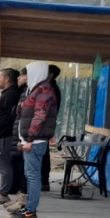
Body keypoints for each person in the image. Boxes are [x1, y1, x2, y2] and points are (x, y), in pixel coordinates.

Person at [12, 60, 59, 218]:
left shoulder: (44, 90)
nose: (25, 76)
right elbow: (25, 113)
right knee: (30, 175)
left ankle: (30, 210)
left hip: (35, 141)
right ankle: (28, 208)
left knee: (33, 176)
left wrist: (30, 138)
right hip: (31, 140)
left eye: (28, 72)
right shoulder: (35, 89)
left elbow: (40, 116)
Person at [0, 68, 22, 205]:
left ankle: (3, 193)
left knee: (4, 165)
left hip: (4, 135)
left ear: (7, 79)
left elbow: (11, 116)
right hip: (1, 134)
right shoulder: (7, 94)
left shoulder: (11, 95)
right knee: (2, 164)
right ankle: (2, 191)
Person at [5, 67, 30, 212]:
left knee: (25, 170)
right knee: (19, 167)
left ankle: (26, 203)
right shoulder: (24, 92)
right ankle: (20, 197)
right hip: (19, 136)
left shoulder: (32, 93)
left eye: (21, 75)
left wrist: (26, 139)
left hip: (24, 138)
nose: (18, 78)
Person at [43, 64, 62, 192]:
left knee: (42, 154)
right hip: (46, 125)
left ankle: (43, 181)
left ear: (50, 75)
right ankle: (43, 181)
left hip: (44, 125)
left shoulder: (50, 89)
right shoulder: (51, 88)